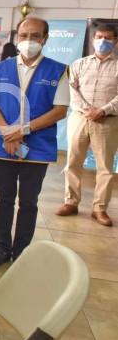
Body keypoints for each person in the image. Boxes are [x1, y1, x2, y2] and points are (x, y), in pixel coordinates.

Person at [0, 18, 68, 267]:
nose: (28, 41)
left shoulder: (58, 70)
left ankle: (21, 252)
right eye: (23, 35)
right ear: (16, 37)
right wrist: (7, 132)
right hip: (4, 145)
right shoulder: (2, 68)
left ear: (45, 38)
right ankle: (2, 248)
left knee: (29, 201)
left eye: (34, 35)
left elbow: (60, 109)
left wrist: (25, 129)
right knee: (4, 198)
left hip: (38, 146)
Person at [56, 21, 118, 226]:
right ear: (93, 40)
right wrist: (87, 110)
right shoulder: (79, 64)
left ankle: (99, 208)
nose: (103, 41)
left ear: (115, 41)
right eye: (99, 37)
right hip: (80, 118)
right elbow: (72, 90)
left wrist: (103, 110)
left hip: (108, 121)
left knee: (105, 168)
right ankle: (71, 202)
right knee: (73, 162)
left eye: (107, 38)